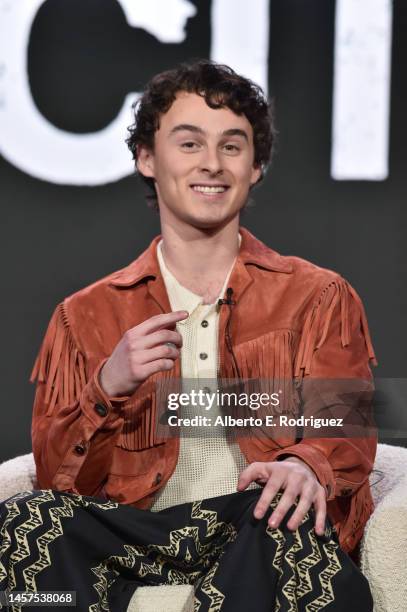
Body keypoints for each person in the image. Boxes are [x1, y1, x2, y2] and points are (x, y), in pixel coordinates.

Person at [0, 60, 377, 611]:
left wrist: (304, 464)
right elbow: (59, 482)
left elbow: (345, 428)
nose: (212, 164)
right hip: (135, 532)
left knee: (283, 522)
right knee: (26, 522)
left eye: (232, 146)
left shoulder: (316, 296)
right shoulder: (84, 315)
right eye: (189, 143)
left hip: (256, 522)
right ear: (147, 159)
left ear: (256, 167)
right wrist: (108, 384)